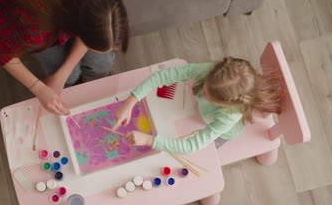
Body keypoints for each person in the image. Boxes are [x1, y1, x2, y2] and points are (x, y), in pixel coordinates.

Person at [0, 0, 129, 115]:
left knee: (101, 64)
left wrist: (62, 74)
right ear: (76, 30)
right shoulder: (36, 24)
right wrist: (39, 89)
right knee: (70, 78)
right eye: (89, 43)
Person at [112, 57, 285, 154]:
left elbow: (191, 146)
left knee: (203, 156)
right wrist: (131, 101)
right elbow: (161, 76)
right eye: (205, 87)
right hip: (204, 114)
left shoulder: (228, 117)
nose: (201, 94)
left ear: (227, 104)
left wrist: (149, 140)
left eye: (209, 96)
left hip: (221, 131)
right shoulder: (210, 70)